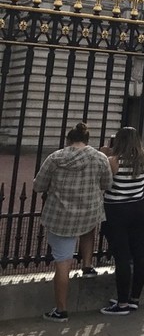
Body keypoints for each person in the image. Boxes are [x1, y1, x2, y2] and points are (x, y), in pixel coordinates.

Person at [33, 121, 112, 322]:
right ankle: (87, 263)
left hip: (61, 215)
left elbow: (39, 185)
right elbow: (107, 183)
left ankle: (61, 309)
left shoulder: (56, 157)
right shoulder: (99, 157)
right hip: (88, 211)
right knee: (88, 226)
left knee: (63, 261)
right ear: (87, 140)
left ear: (69, 140)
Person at [99, 126, 144, 315]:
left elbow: (103, 183)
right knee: (139, 255)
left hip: (117, 210)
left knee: (121, 256)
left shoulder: (113, 161)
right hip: (138, 208)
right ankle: (134, 298)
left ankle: (121, 304)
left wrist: (103, 154)